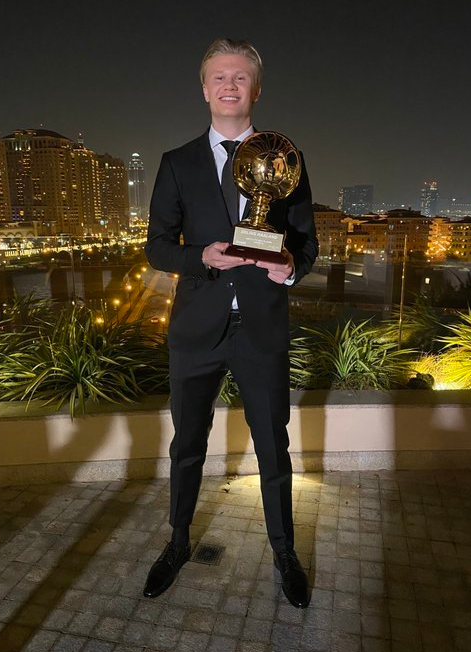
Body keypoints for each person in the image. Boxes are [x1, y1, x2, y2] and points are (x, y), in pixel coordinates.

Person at [143, 38, 318, 608]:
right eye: (219, 76)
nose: (229, 85)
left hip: (260, 327)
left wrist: (290, 268)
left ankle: (284, 552)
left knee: (273, 446)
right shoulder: (177, 163)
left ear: (255, 89)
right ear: (204, 89)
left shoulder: (287, 158)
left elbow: (307, 244)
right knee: (187, 445)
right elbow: (157, 247)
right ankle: (177, 542)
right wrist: (201, 257)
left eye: (240, 77)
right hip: (197, 328)